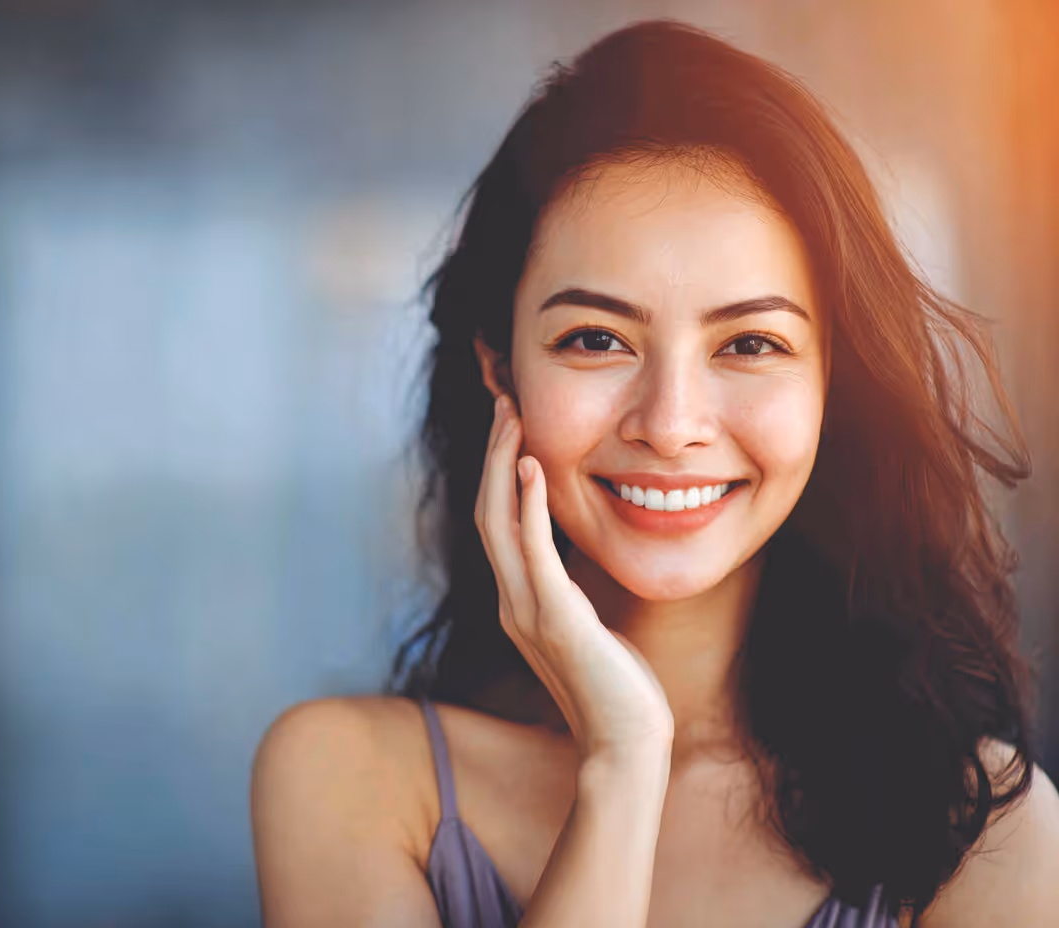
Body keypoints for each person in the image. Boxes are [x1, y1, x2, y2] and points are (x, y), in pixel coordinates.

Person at [250, 19, 1059, 928]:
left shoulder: (984, 829)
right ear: (499, 368)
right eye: (596, 339)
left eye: (751, 343)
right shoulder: (348, 776)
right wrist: (622, 761)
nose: (671, 425)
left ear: (836, 380)